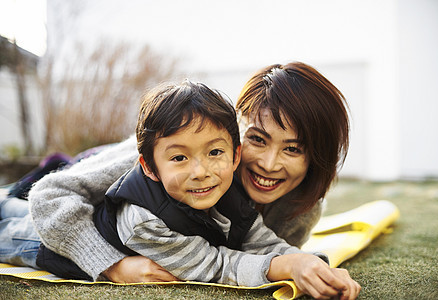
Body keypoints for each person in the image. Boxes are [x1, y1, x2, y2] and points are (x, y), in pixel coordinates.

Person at [26, 62, 359, 298]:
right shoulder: (169, 156)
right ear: (239, 131)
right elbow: (51, 196)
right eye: (258, 139)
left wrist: (316, 267)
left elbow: (264, 254)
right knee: (16, 212)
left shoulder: (300, 210)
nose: (269, 164)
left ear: (316, 156)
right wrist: (112, 265)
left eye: (293, 148)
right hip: (83, 181)